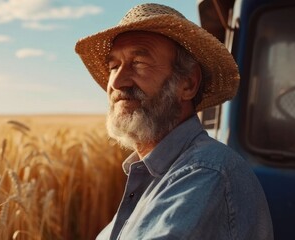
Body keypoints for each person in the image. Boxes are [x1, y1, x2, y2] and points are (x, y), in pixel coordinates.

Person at [75, 3, 273, 240]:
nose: (117, 82)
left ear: (187, 84)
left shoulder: (205, 173)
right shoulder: (156, 174)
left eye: (139, 63)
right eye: (114, 66)